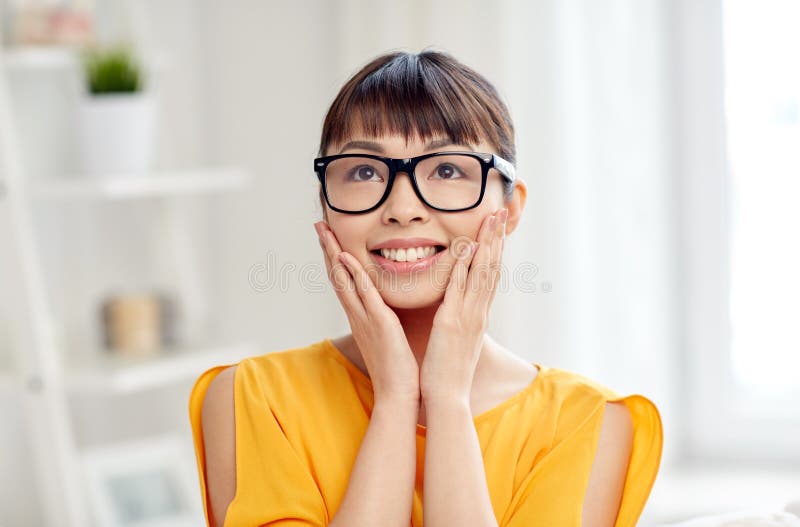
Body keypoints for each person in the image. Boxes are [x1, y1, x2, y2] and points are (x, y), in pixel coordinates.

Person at [189, 49, 663, 527]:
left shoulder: (591, 423)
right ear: (325, 205)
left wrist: (448, 401)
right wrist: (395, 400)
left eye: (447, 170)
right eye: (364, 171)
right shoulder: (250, 399)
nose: (402, 207)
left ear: (511, 208)